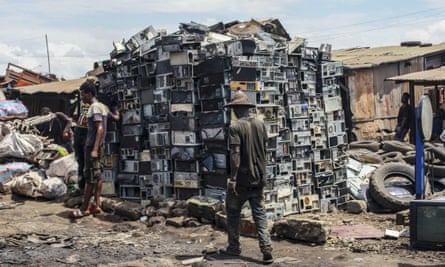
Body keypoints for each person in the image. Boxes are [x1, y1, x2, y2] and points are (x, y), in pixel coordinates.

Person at [220, 90, 273, 264]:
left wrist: (233, 179)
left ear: (236, 108)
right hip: (259, 177)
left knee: (233, 213)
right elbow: (265, 149)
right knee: (260, 214)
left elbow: (235, 154)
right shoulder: (260, 124)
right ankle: (266, 249)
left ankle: (234, 247)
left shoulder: (234, 127)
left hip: (242, 180)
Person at [70, 81, 107, 218]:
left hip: (93, 146)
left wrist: (94, 149)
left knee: (90, 178)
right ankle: (96, 205)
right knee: (97, 177)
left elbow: (100, 128)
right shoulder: (101, 106)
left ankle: (84, 208)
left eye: (82, 94)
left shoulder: (94, 107)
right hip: (97, 145)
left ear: (89, 93)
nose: (81, 97)